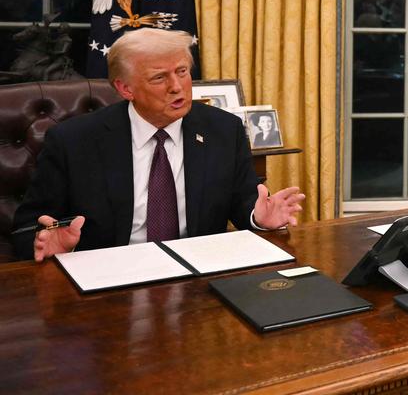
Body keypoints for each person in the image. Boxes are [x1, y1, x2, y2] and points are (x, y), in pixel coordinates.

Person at [11, 28, 305, 261]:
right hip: (109, 277)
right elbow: (26, 227)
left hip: (197, 277)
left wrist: (259, 218)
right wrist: (52, 241)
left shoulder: (223, 130)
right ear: (126, 88)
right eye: (159, 77)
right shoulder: (73, 141)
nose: (176, 87)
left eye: (182, 72)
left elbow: (242, 204)